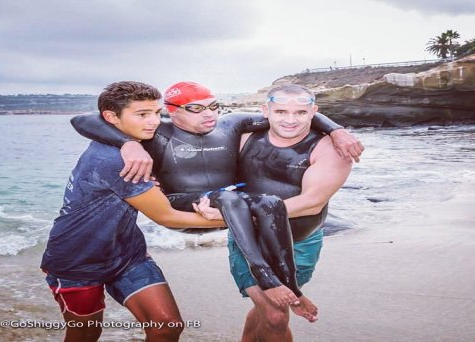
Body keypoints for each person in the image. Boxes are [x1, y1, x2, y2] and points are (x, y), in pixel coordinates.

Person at [70, 81, 364, 317]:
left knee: (261, 203)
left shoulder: (231, 125)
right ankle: (269, 278)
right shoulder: (157, 132)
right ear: (171, 112)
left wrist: (336, 130)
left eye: (213, 106)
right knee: (237, 200)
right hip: (190, 208)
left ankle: (283, 284)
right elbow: (82, 119)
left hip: (227, 213)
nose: (209, 114)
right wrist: (128, 144)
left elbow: (293, 113)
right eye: (196, 108)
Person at [40, 81, 226, 342]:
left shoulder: (133, 145)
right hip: (76, 260)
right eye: (142, 114)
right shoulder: (115, 160)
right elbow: (166, 217)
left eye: (156, 112)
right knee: (85, 334)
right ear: (111, 117)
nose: (153, 121)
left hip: (126, 253)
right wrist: (239, 220)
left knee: (167, 327)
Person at [222, 83, 353, 341]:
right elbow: (193, 155)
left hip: (300, 245)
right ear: (265, 111)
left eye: (300, 113)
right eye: (281, 112)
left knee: (269, 310)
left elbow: (311, 203)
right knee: (275, 315)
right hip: (249, 243)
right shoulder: (242, 138)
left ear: (313, 112)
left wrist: (238, 213)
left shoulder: (333, 149)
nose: (290, 120)